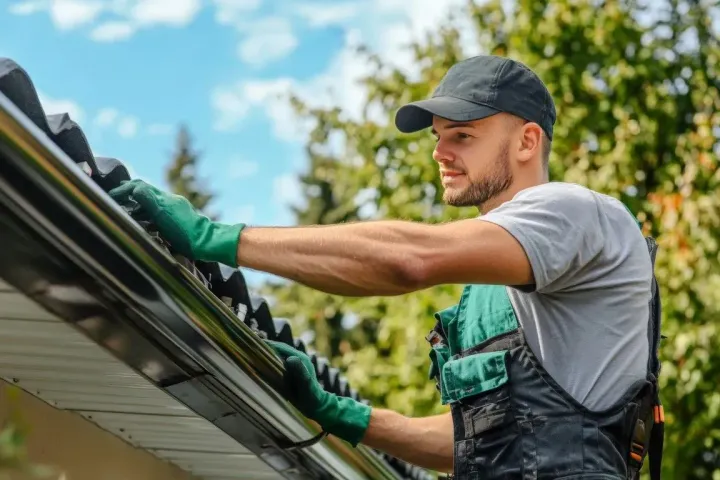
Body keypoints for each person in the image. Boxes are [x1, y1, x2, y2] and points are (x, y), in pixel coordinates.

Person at [109, 55, 664, 479]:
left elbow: (409, 259)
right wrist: (344, 415)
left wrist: (216, 239)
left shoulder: (574, 212)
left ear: (527, 141)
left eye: (464, 136)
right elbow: (481, 441)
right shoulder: (499, 288)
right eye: (438, 138)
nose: (441, 153)